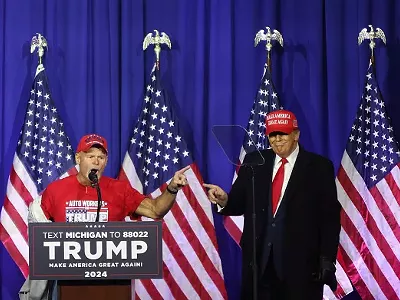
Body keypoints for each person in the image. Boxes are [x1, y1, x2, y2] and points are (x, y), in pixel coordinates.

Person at [20, 133, 189, 300]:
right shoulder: (56, 190)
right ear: (78, 159)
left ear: (106, 162)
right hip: (68, 283)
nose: (96, 162)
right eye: (90, 156)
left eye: (101, 157)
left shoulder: (119, 190)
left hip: (112, 283)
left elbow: (155, 210)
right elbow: (38, 232)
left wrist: (172, 188)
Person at [204, 110, 341, 300]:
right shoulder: (255, 161)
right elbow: (237, 203)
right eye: (272, 135)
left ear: (296, 134)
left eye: (282, 134)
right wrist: (224, 200)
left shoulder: (319, 167)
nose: (277, 140)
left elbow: (329, 218)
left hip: (301, 267)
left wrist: (327, 260)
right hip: (259, 264)